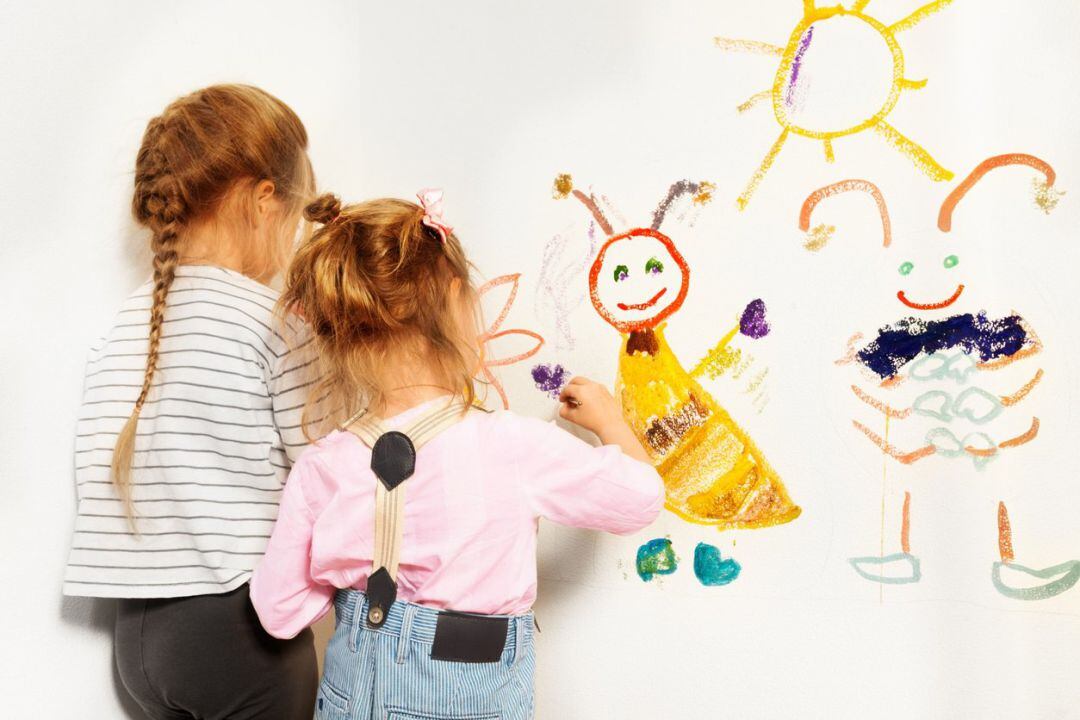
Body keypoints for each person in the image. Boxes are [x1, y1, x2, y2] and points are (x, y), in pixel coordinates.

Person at [250, 190, 664, 720]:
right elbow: (639, 500)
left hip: (348, 697)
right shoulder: (512, 446)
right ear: (452, 298)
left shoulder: (322, 465)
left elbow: (278, 611)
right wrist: (610, 422)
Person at [63, 84, 319, 720]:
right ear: (263, 201)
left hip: (137, 640)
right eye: (293, 219)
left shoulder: (125, 323)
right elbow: (324, 462)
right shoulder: (271, 322)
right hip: (240, 628)